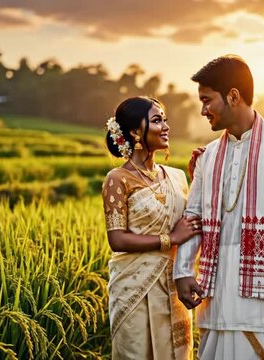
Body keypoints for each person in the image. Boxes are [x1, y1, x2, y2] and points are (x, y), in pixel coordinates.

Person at [174, 55, 264, 359]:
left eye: (206, 100)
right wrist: (183, 270)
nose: (202, 110)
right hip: (214, 295)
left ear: (233, 96)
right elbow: (194, 216)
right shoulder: (208, 156)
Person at [102, 97, 201, 359]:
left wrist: (198, 178)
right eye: (157, 120)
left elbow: (191, 223)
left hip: (172, 287)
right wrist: (169, 239)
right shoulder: (117, 180)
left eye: (165, 119)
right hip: (134, 291)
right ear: (135, 131)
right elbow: (117, 239)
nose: (166, 126)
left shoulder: (177, 177)